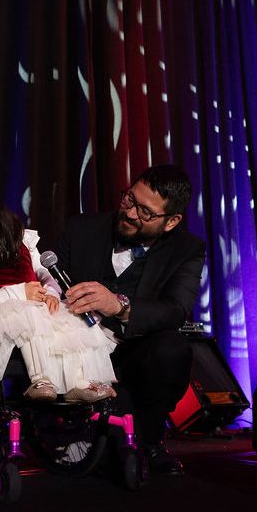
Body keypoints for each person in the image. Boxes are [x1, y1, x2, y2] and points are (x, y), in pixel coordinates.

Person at [58, 165, 205, 476]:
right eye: (129, 199)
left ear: (171, 221)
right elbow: (49, 284)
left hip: (132, 351)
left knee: (172, 349)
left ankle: (149, 441)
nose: (130, 213)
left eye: (145, 212)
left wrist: (119, 306)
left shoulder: (187, 249)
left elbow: (176, 309)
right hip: (75, 346)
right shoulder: (81, 228)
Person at [0, 190, 118, 403]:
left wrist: (51, 292)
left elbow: (46, 273)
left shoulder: (22, 244)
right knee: (28, 316)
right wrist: (19, 292)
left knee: (72, 324)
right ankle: (41, 380)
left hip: (37, 308)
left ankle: (78, 382)